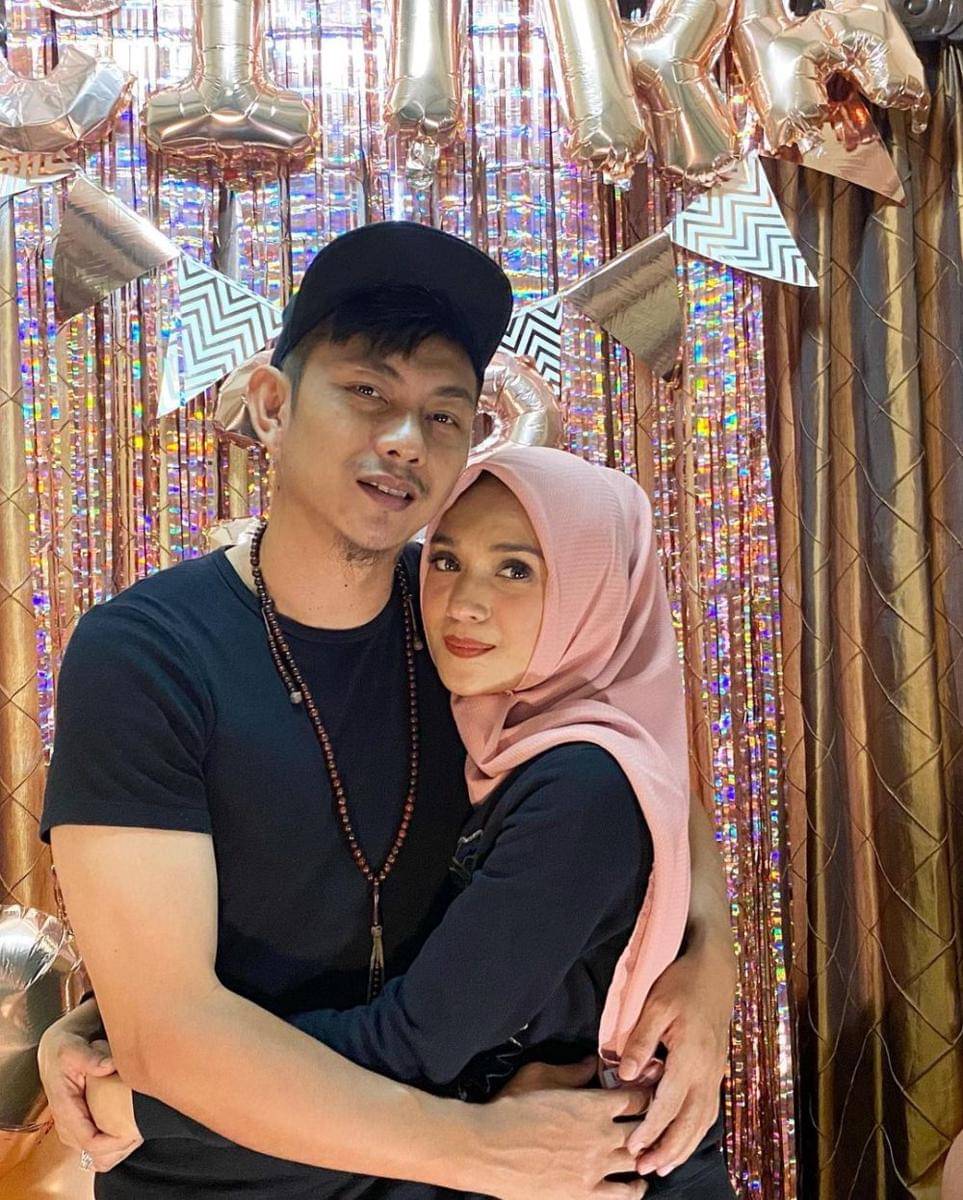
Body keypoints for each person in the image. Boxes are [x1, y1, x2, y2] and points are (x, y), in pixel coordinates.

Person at [38, 221, 737, 1199]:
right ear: (273, 406)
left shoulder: (464, 618)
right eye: (367, 392)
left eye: (444, 415)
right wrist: (480, 1148)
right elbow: (171, 1032)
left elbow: (636, 761)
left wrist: (711, 961)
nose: (405, 440)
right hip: (231, 1175)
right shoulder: (146, 653)